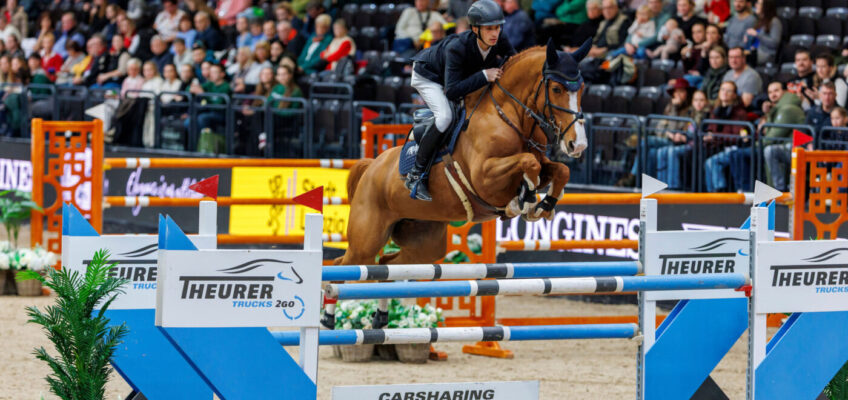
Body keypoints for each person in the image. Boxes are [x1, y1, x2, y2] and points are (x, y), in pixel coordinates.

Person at [406, 0, 516, 201]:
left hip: (457, 77)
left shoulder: (499, 39)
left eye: (498, 28)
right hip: (428, 76)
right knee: (445, 117)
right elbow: (452, 91)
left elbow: (514, 61)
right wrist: (484, 75)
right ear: (475, 28)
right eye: (489, 28)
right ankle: (416, 174)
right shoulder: (457, 47)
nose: (495, 33)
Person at [703, 81, 750, 192]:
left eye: (729, 91)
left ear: (734, 95)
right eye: (723, 89)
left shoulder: (740, 113)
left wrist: (716, 137)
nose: (725, 93)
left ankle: (720, 192)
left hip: (732, 148)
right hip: (717, 147)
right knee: (706, 160)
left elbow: (739, 136)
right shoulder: (715, 110)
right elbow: (711, 128)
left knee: (712, 162)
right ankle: (711, 194)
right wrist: (709, 135)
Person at [761, 81, 805, 191]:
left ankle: (778, 190)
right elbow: (768, 132)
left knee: (768, 150)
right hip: (785, 146)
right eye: (770, 92)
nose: (773, 94)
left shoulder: (788, 108)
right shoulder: (777, 108)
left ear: (785, 92)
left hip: (797, 149)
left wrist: (755, 144)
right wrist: (768, 114)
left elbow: (772, 136)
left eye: (776, 90)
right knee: (767, 150)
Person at [744, 0, 780, 66]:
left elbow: (774, 43)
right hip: (754, 52)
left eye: (759, 4)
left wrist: (757, 35)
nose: (756, 5)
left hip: (766, 55)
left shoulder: (774, 21)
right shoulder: (760, 21)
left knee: (739, 59)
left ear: (766, 6)